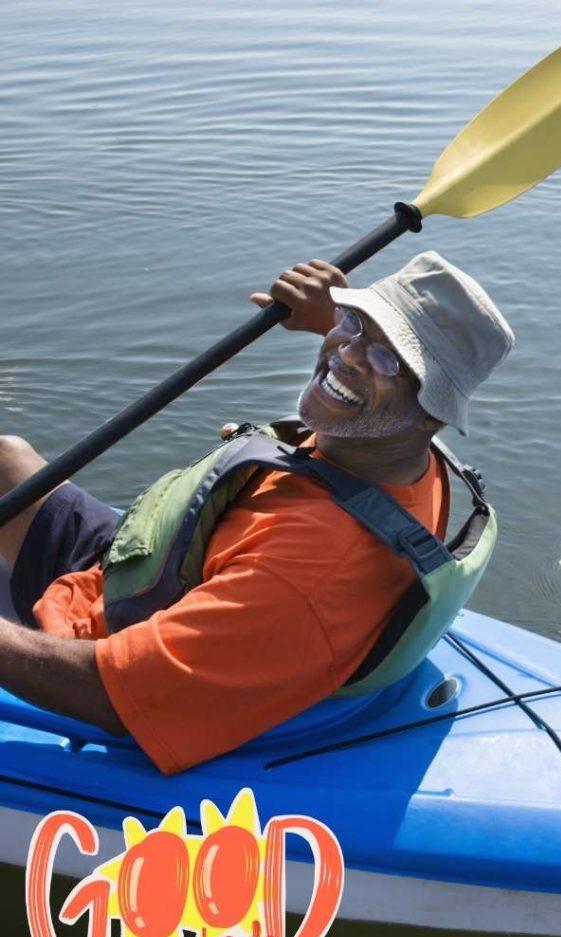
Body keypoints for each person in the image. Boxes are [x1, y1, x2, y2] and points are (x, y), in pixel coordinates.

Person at [0, 251, 513, 774]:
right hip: (153, 575)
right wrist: (334, 324)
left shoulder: (307, 575)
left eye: (388, 358)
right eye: (356, 323)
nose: (348, 355)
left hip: (105, 658)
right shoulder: (392, 446)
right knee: (5, 459)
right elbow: (363, 365)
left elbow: (109, 696)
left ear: (434, 412)